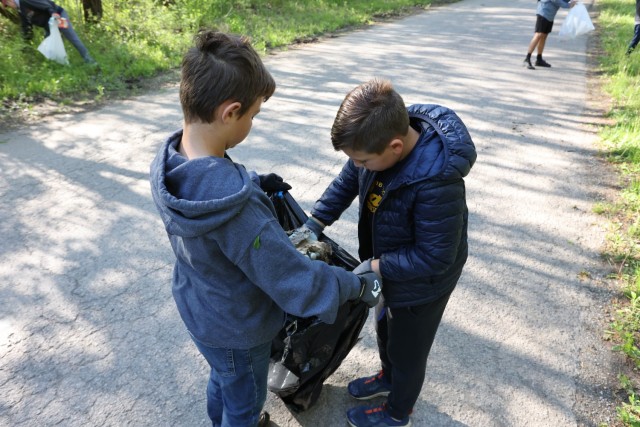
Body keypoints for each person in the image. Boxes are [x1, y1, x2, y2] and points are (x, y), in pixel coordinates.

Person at [149, 30, 383, 427]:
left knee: (223, 379)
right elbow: (293, 279)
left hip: (199, 308)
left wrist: (253, 181)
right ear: (230, 111)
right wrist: (355, 285)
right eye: (253, 115)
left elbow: (211, 184)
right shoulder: (239, 213)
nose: (252, 123)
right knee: (244, 400)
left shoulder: (172, 159)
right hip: (238, 328)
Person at [295, 78, 476, 427]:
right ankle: (388, 376)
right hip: (391, 268)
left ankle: (397, 411)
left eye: (362, 160)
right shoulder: (373, 144)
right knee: (386, 329)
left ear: (395, 147)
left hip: (423, 284)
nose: (357, 165)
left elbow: (434, 256)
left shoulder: (436, 181)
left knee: (409, 350)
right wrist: (314, 223)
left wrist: (376, 264)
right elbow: (347, 181)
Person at [1, 0, 96, 64]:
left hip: (58, 15)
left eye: (7, 5)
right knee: (49, 46)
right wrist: (26, 43)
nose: (9, 8)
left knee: (71, 37)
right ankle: (59, 65)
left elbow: (45, 4)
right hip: (49, 25)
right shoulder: (20, 10)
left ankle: (90, 61)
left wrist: (53, 13)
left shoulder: (25, 1)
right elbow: (26, 27)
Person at [523, 0, 577, 69]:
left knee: (544, 36)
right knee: (538, 35)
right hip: (543, 12)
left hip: (549, 15)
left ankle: (539, 59)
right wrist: (568, 5)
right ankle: (527, 59)